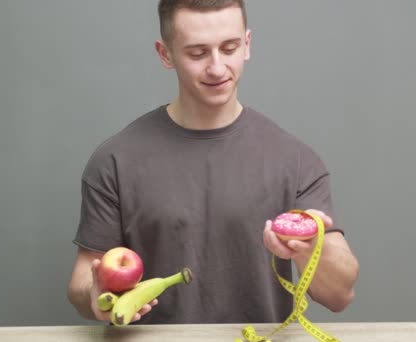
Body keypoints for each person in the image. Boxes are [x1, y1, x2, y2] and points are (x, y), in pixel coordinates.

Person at [67, 0, 359, 324]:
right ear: (165, 54)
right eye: (197, 53)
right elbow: (82, 280)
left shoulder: (297, 160)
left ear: (247, 44)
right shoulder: (114, 161)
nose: (218, 68)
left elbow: (339, 295)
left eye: (230, 48)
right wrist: (94, 296)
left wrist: (310, 251)